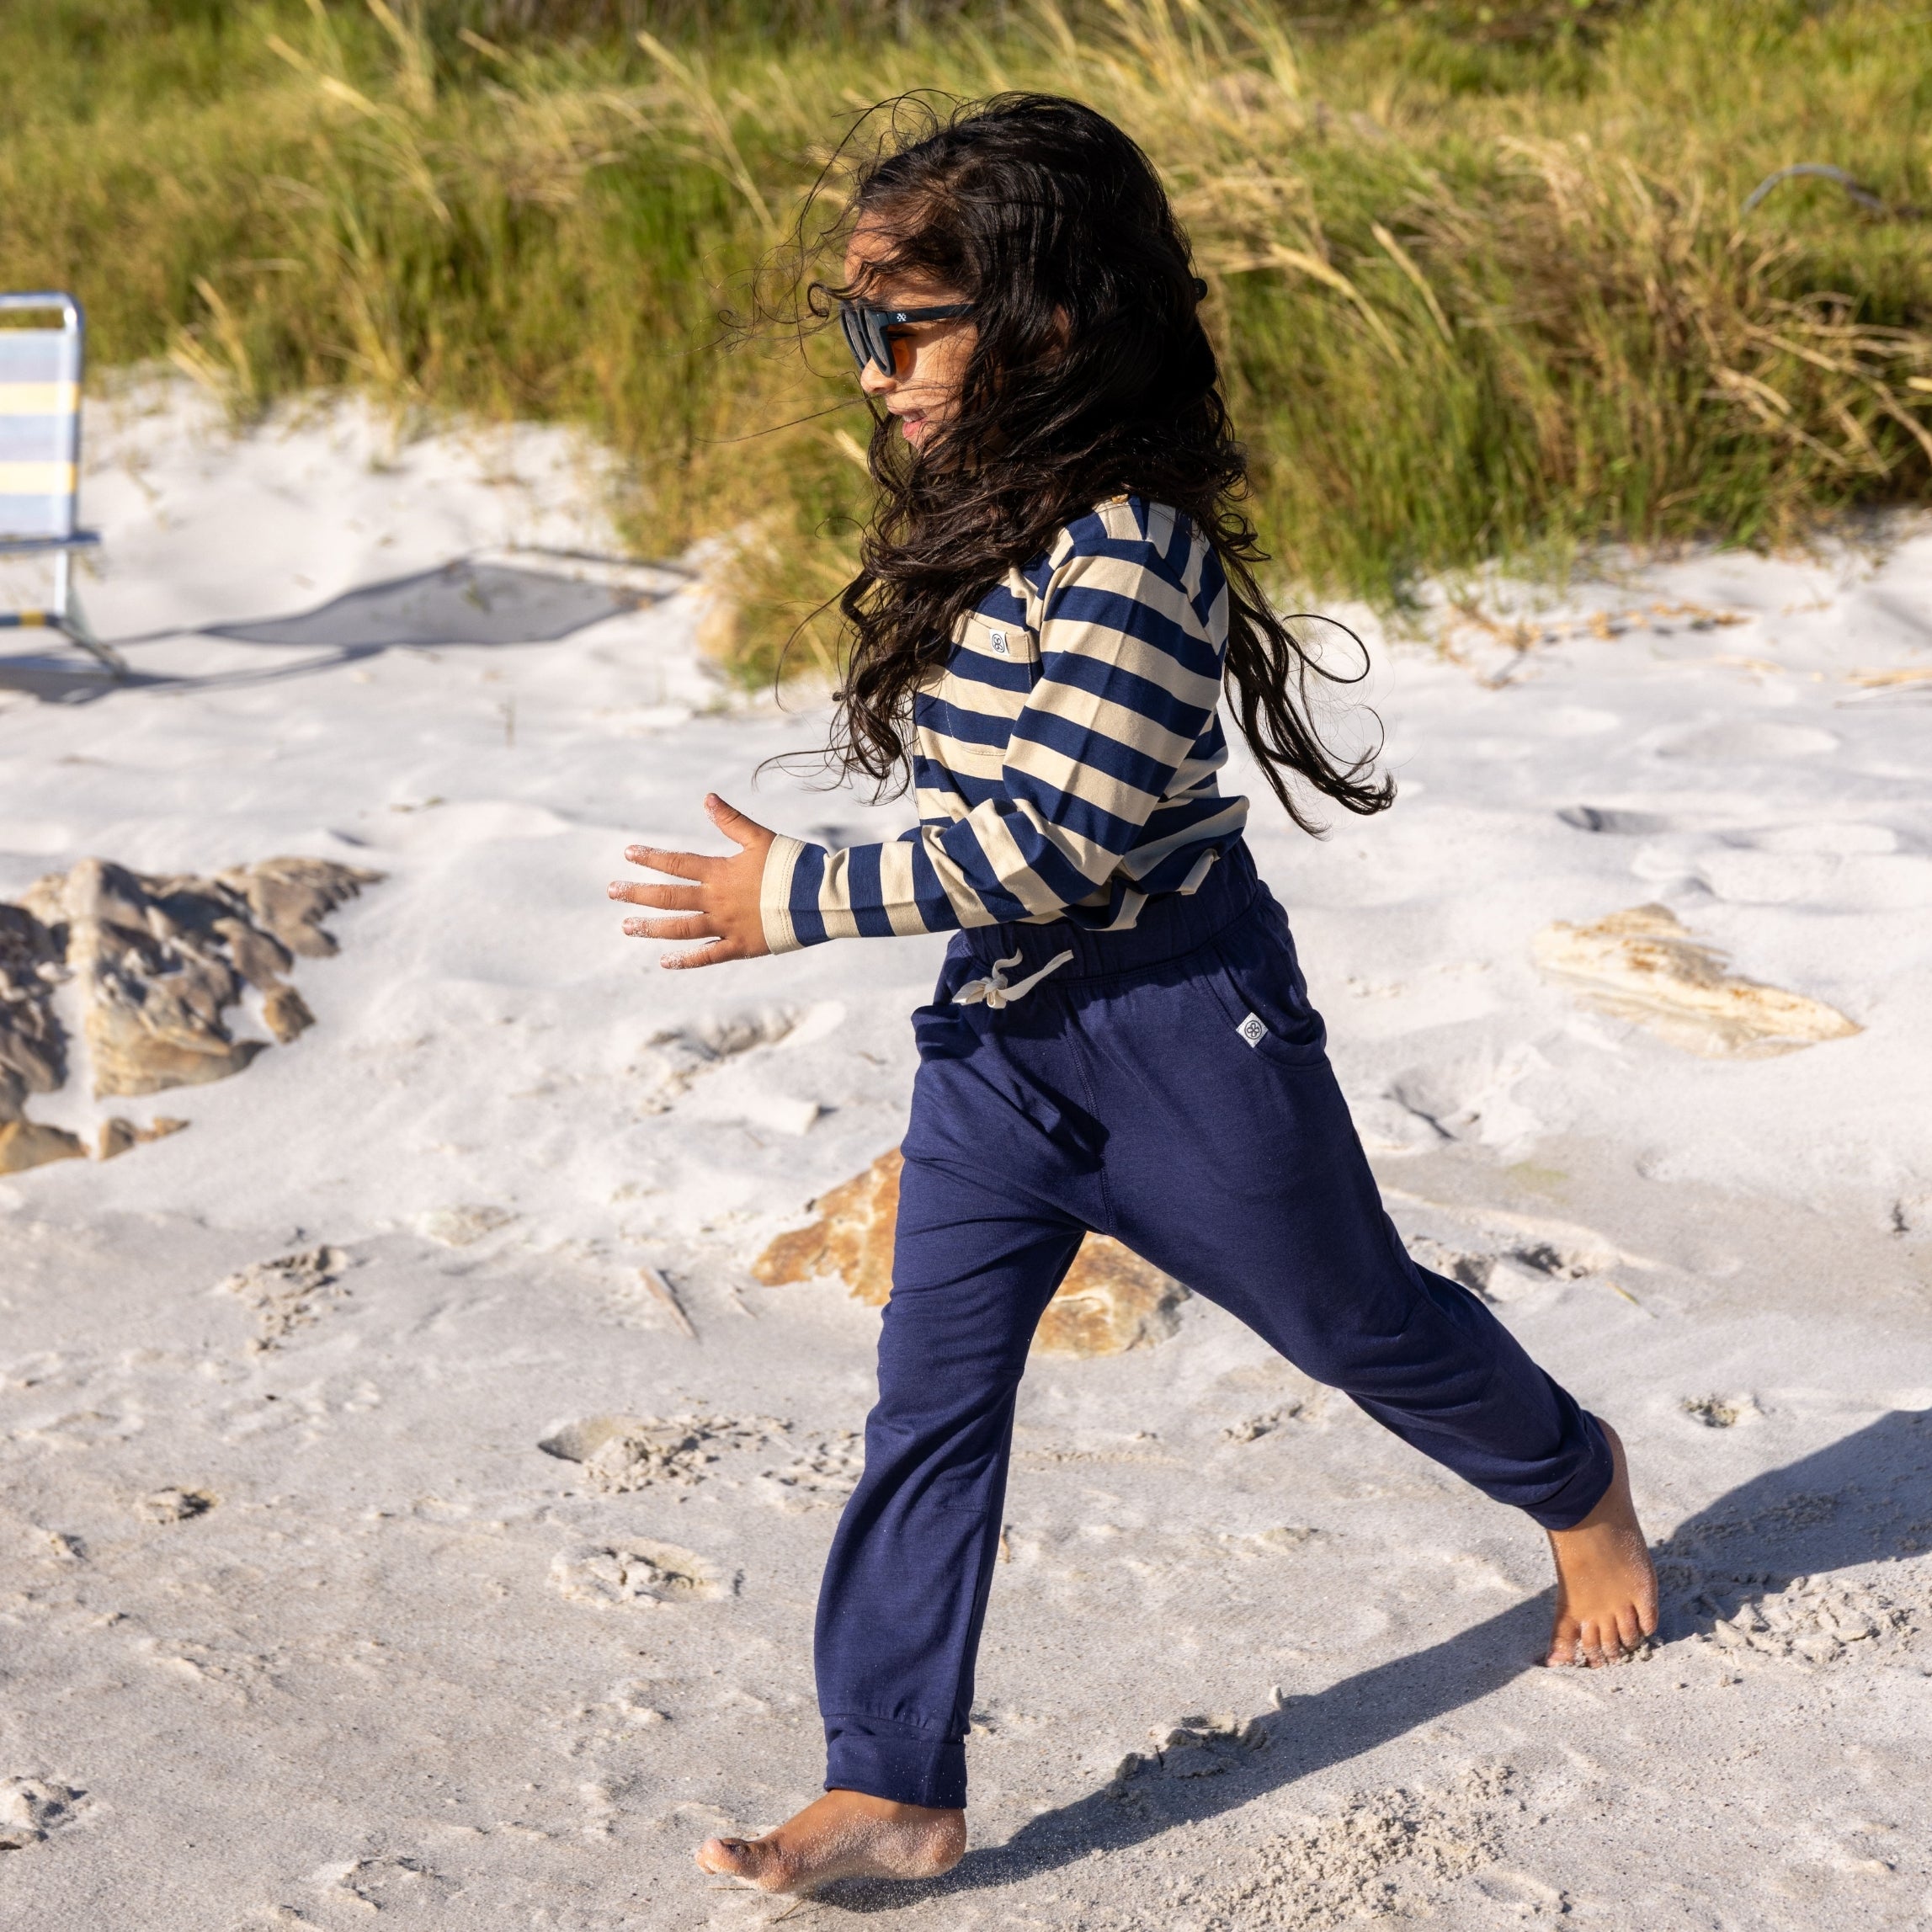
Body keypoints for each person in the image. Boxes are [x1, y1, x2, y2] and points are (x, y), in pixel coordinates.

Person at [607, 93, 1657, 1898]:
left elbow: (1055, 833)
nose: (869, 370)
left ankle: (1572, 1477)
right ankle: (892, 1777)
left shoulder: (1131, 550)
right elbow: (991, 826)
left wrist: (799, 891)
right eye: (854, 326)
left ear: (1043, 322)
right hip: (995, 1040)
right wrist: (838, 873)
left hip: (1181, 1028)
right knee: (925, 1397)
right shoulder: (982, 515)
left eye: (898, 323)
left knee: (1356, 1322)